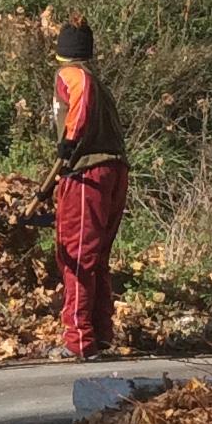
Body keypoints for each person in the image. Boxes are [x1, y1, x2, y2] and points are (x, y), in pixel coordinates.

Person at [42, 18, 129, 361]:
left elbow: (79, 105)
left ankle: (78, 339)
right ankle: (101, 333)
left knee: (76, 255)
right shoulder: (99, 82)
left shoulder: (73, 75)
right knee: (97, 257)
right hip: (114, 170)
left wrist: (68, 146)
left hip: (86, 173)